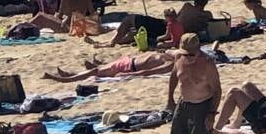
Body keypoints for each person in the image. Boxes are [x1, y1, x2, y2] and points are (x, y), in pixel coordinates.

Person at [166, 34, 222, 134]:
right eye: (185, 54)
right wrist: (170, 98)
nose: (188, 57)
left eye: (191, 55)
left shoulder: (207, 64)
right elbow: (174, 76)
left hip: (202, 107)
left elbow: (217, 91)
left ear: (198, 50)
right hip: (183, 105)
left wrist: (211, 114)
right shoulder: (179, 58)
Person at [44, 50, 175, 82]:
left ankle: (68, 78)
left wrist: (129, 75)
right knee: (99, 68)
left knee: (96, 71)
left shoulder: (170, 64)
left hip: (129, 67)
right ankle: (73, 74)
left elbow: (148, 72)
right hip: (129, 61)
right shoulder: (169, 55)